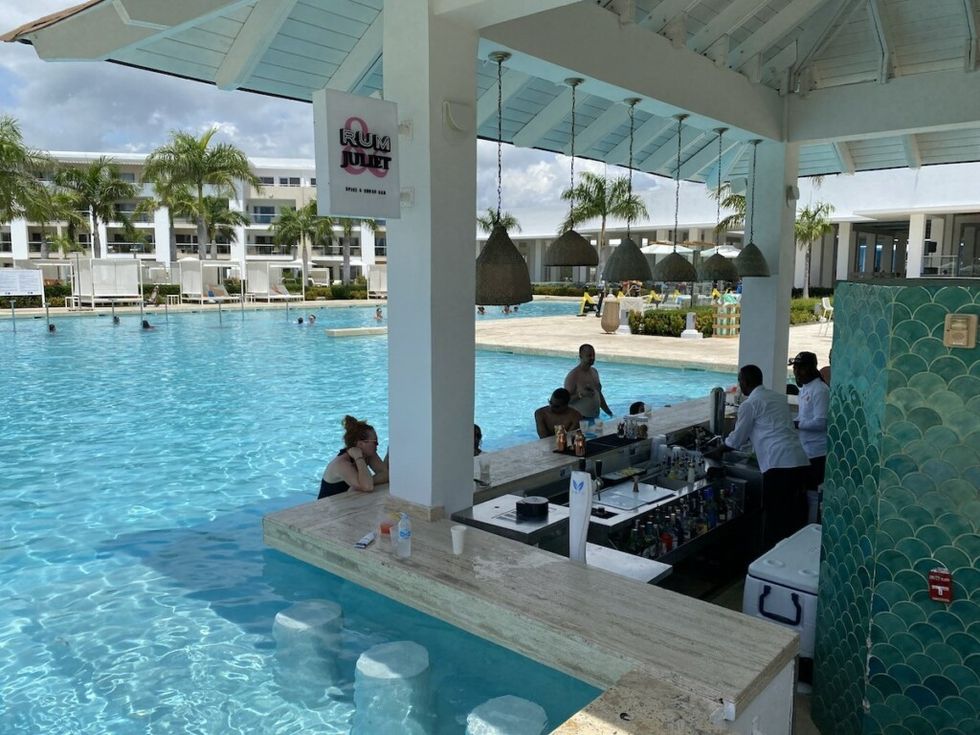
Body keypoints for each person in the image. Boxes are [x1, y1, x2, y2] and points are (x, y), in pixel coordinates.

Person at [719, 364, 810, 550]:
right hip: (799, 460)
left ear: (745, 381)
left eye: (740, 380)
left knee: (775, 518)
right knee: (794, 516)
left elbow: (736, 439)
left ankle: (771, 560)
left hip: (778, 465)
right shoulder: (777, 398)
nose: (740, 384)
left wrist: (718, 449)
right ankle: (793, 557)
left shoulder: (749, 404)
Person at [319, 415, 389, 499]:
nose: (377, 445)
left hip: (347, 502)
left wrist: (360, 484)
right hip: (327, 507)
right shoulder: (341, 464)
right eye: (375, 442)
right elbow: (368, 487)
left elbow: (386, 475)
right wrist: (358, 457)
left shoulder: (369, 454)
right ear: (360, 444)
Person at [790, 352, 830, 490]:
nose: (797, 373)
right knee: (805, 491)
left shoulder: (820, 390)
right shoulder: (805, 389)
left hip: (817, 453)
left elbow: (822, 423)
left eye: (800, 369)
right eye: (795, 369)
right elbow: (804, 417)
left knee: (813, 493)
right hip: (805, 450)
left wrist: (797, 424)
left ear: (811, 368)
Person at [564, 344, 613, 420]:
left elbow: (599, 395)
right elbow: (565, 401)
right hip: (580, 420)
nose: (592, 358)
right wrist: (581, 395)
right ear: (581, 357)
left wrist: (610, 413)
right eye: (589, 355)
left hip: (595, 418)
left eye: (593, 355)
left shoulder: (594, 372)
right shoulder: (573, 376)